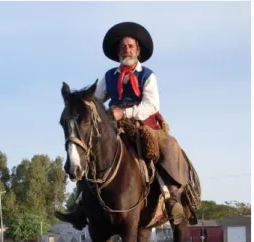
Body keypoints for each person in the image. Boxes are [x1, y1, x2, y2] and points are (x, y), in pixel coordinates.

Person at [56, 21, 187, 230]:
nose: (126, 50)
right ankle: (81, 205)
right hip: (114, 123)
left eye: (130, 46)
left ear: (138, 50)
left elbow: (151, 105)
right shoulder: (109, 76)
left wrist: (123, 112)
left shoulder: (147, 75)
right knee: (91, 151)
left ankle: (171, 197)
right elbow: (96, 100)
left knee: (163, 147)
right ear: (118, 52)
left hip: (144, 121)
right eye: (123, 47)